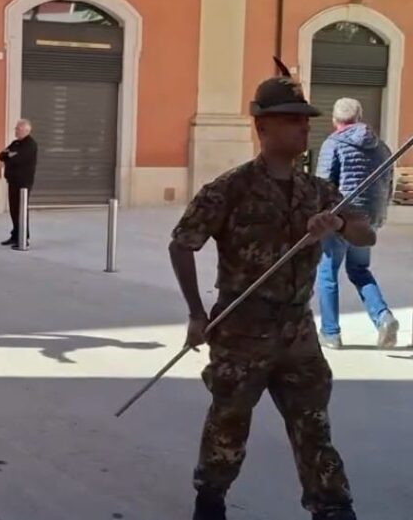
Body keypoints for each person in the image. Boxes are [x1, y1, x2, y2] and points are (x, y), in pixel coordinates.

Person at [169, 69, 370, 520]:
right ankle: (211, 498)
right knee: (229, 422)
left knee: (313, 426)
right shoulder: (230, 188)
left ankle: (333, 507)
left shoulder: (317, 190)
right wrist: (196, 314)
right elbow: (182, 244)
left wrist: (338, 224)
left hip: (297, 331)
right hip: (241, 329)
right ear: (262, 127)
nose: (304, 126)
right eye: (292, 118)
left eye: (306, 119)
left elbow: (365, 233)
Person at [314, 97, 398, 350]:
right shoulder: (381, 146)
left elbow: (323, 184)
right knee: (360, 270)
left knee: (327, 274)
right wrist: (377, 216)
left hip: (341, 219)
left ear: (334, 120)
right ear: (359, 117)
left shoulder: (333, 144)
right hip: (368, 220)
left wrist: (319, 216)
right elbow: (388, 183)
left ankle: (330, 333)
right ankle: (383, 317)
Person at [0, 118, 37, 248]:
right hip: (12, 181)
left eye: (18, 129)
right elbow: (2, 154)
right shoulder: (15, 143)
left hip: (23, 183)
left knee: (21, 211)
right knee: (14, 210)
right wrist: (9, 154)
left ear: (26, 130)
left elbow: (19, 159)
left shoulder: (31, 145)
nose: (15, 130)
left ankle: (24, 238)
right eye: (16, 128)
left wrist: (9, 157)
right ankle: (15, 235)